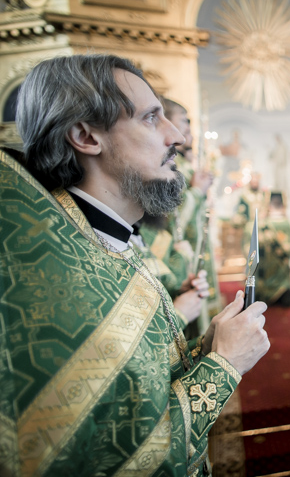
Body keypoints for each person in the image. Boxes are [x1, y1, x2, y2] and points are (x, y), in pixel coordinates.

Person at [0, 54, 269, 476]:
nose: (177, 136)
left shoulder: (100, 240)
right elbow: (121, 461)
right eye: (150, 118)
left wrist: (205, 348)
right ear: (86, 136)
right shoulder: (59, 287)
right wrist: (224, 366)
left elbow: (138, 392)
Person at [163, 98, 222, 336]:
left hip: (195, 248)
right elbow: (174, 218)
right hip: (178, 253)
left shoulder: (184, 167)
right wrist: (197, 190)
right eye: (183, 121)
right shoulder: (169, 169)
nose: (187, 129)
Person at [251, 191, 290, 306]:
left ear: (268, 206)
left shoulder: (262, 225)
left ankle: (267, 295)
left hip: (266, 274)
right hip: (283, 276)